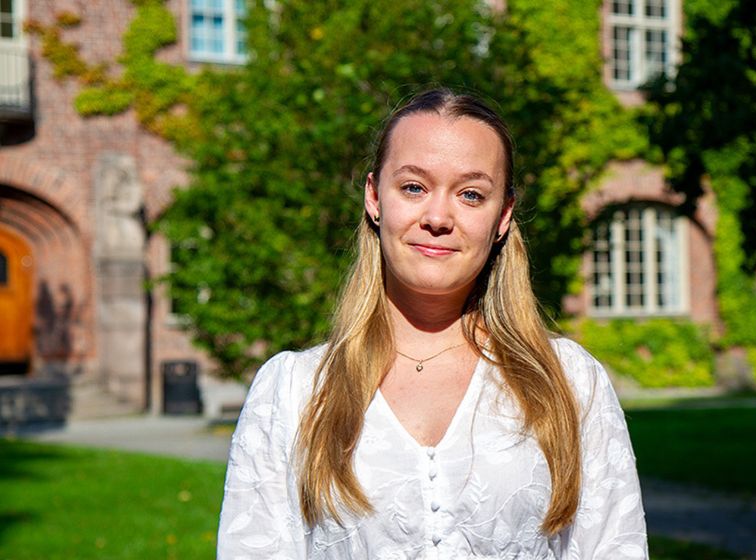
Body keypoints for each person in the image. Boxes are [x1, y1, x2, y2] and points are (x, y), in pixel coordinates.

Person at [217, 88, 648, 559]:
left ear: (502, 215)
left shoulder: (568, 381)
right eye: (414, 187)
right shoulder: (294, 392)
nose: (439, 217)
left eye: (470, 194)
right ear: (374, 196)